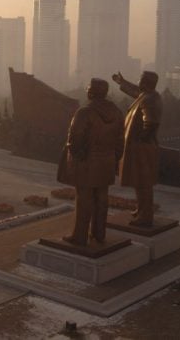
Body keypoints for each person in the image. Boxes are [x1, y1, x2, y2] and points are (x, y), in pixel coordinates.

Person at [57, 78, 124, 245]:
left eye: (88, 88)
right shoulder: (117, 112)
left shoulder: (84, 112)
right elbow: (120, 140)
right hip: (106, 162)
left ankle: (79, 236)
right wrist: (114, 158)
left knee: (84, 198)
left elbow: (74, 140)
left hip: (87, 163)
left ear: (91, 92)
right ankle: (99, 234)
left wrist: (77, 159)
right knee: (102, 197)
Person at [112, 70, 163, 227]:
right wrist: (122, 82)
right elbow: (136, 92)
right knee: (139, 181)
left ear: (147, 82)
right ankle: (141, 209)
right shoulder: (148, 96)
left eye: (141, 79)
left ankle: (145, 216)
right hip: (141, 145)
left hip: (142, 147)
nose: (139, 82)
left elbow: (151, 123)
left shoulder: (149, 99)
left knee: (143, 183)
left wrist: (141, 140)